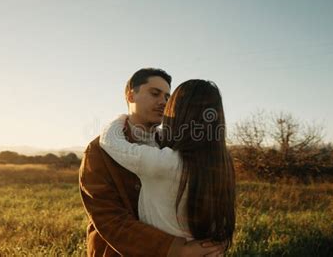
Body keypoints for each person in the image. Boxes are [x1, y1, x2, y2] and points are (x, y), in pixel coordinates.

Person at [79, 69, 225, 256]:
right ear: (131, 95)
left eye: (167, 97)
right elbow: (108, 218)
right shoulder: (98, 151)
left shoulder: (175, 146)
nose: (163, 102)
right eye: (155, 93)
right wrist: (174, 249)